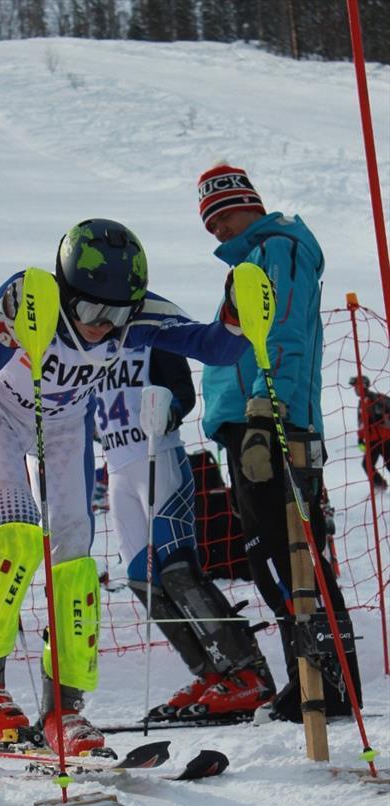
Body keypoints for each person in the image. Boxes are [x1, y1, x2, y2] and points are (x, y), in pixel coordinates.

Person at [0, 216, 254, 755]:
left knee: (74, 560)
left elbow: (215, 348)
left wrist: (236, 315)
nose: (105, 326)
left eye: (119, 315)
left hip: (64, 423)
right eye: (93, 312)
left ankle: (64, 709)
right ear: (67, 290)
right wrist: (8, 322)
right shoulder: (31, 294)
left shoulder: (133, 316)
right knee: (19, 532)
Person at [198, 163, 363, 722]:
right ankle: (311, 676)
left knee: (292, 551)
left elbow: (285, 329)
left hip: (269, 420)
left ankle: (329, 682)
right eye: (210, 224)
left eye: (221, 217)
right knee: (271, 556)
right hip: (247, 422)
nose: (216, 231)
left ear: (246, 205)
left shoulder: (278, 249)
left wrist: (273, 411)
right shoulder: (253, 260)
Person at [93, 345, 275, 719]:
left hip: (160, 458)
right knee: (142, 579)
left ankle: (244, 670)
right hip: (118, 470)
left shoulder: (150, 333)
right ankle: (209, 671)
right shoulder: (85, 345)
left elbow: (182, 389)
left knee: (177, 570)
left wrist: (172, 411)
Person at [349, 375, 390, 490]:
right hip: (376, 439)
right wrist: (360, 438)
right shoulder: (363, 402)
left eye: (356, 387)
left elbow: (368, 421)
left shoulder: (373, 399)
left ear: (363, 386)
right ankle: (380, 486)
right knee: (369, 465)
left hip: (381, 439)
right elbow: (363, 423)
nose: (355, 390)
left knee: (374, 464)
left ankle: (380, 486)